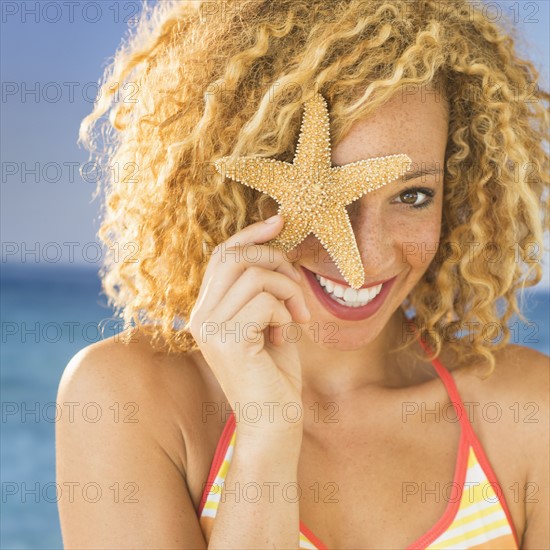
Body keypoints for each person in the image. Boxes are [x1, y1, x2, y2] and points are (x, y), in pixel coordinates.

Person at [56, 0, 549, 548]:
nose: (364, 256)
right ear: (235, 187)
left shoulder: (530, 413)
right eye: (331, 192)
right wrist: (267, 432)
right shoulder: (124, 401)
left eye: (413, 195)